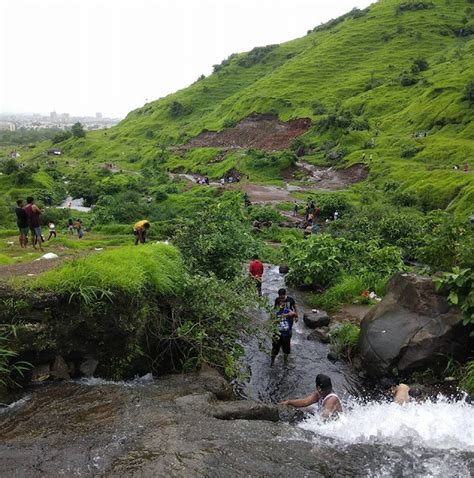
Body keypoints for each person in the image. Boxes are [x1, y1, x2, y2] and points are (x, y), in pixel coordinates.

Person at [271, 299, 298, 366]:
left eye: (284, 302)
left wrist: (287, 315)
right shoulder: (274, 312)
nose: (283, 304)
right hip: (277, 334)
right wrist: (276, 319)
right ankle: (272, 363)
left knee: (286, 351)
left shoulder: (287, 310)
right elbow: (271, 322)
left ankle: (285, 363)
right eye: (281, 302)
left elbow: (295, 314)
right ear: (277, 304)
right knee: (275, 350)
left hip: (286, 334)